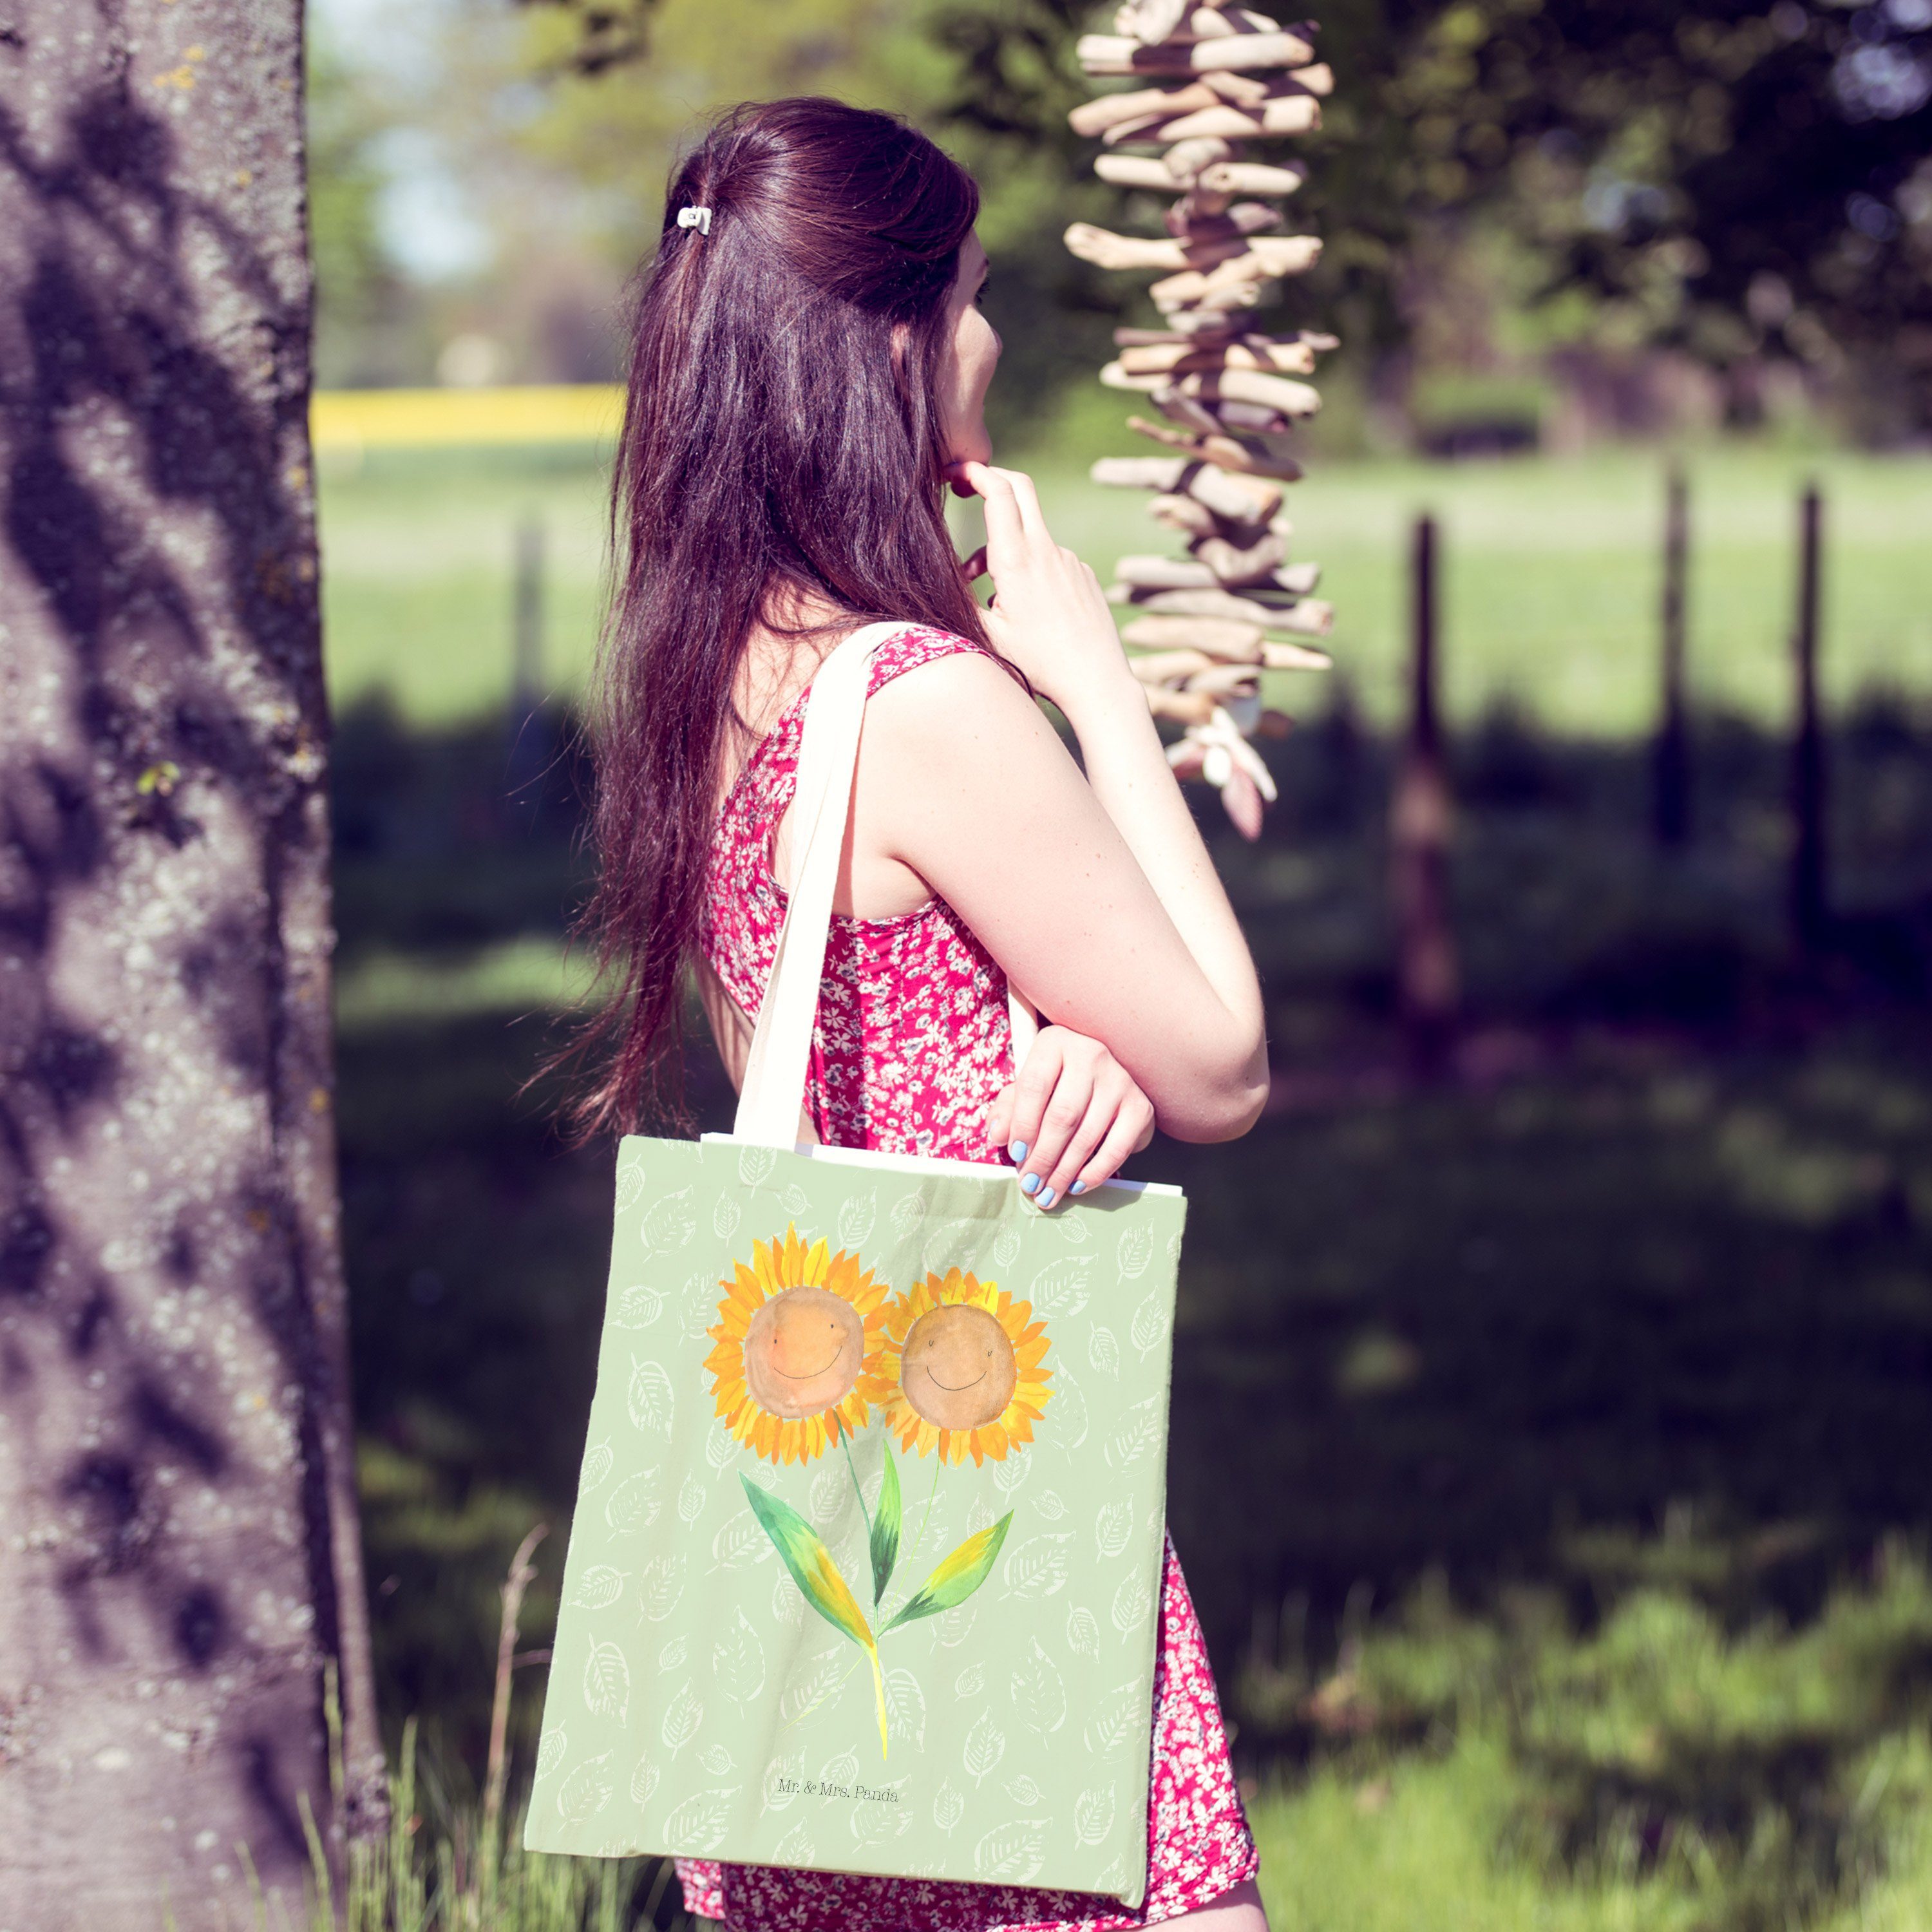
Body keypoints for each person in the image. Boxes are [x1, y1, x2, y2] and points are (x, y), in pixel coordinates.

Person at [565, 95, 1272, 1932]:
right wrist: (1100, 688)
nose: (992, 337)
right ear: (885, 341)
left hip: (796, 1591)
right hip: (985, 1523)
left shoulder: (708, 672)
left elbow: (826, 1051)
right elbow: (1224, 1061)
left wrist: (1054, 1041)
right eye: (965, 295)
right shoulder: (928, 706)